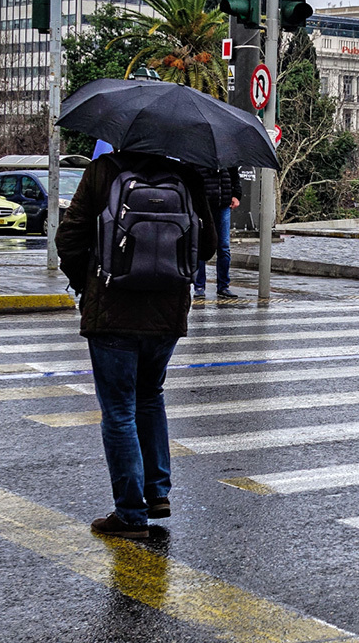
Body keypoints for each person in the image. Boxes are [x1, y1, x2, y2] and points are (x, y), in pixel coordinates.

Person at [56, 150, 215, 539]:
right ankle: (157, 492)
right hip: (167, 312)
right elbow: (207, 243)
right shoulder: (186, 173)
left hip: (113, 309)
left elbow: (69, 238)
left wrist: (87, 283)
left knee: (119, 410)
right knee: (149, 396)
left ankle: (130, 513)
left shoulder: (103, 171)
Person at [193, 166, 242, 299]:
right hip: (204, 204)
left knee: (224, 247)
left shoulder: (226, 152)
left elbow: (234, 174)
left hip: (222, 203)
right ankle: (199, 286)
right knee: (201, 245)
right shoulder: (197, 154)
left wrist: (236, 194)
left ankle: (223, 286)